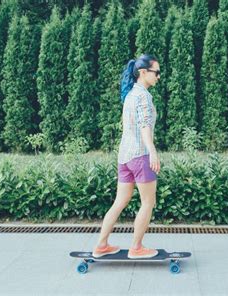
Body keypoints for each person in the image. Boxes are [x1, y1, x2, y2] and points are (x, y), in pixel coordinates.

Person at [92, 54, 161, 259]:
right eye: (156, 72)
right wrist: (152, 151)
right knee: (148, 202)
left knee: (120, 201)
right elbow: (144, 125)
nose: (159, 76)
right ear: (143, 73)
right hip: (140, 155)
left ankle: (101, 245)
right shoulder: (143, 96)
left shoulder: (130, 94)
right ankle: (136, 248)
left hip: (125, 156)